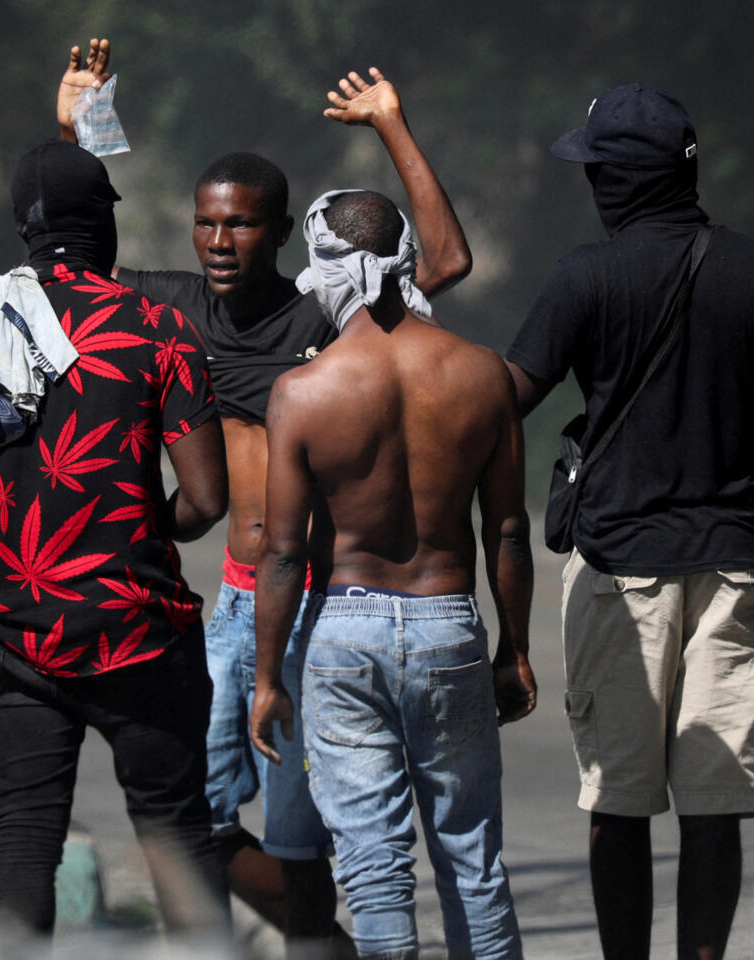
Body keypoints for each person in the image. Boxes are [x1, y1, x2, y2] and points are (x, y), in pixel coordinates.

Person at [58, 40, 473, 955]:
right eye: (206, 224)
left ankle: (318, 942)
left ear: (280, 233)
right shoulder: (172, 309)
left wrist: (392, 125)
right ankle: (328, 946)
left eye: (241, 226)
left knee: (297, 840)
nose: (219, 242)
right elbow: (77, 266)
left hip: (319, 608)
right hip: (236, 605)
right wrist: (84, 128)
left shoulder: (324, 310)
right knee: (187, 818)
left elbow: (444, 260)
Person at [504, 83, 754, 959]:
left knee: (618, 803)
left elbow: (504, 401)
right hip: (735, 564)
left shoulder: (586, 276)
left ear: (620, 180)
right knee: (713, 806)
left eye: (595, 171)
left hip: (618, 569)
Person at [0, 139, 229, 936]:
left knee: (22, 836)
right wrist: (142, 521)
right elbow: (207, 498)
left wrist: (9, 505)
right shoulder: (158, 329)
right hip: (140, 633)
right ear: (104, 224)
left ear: (25, 228)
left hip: (13, 637)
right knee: (178, 836)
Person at [250, 189, 537, 960]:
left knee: (374, 867)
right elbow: (508, 530)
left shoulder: (302, 392)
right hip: (447, 623)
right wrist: (514, 648)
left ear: (323, 268)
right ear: (407, 258)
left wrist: (268, 678)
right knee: (472, 857)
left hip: (343, 632)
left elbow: (282, 552)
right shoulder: (481, 373)